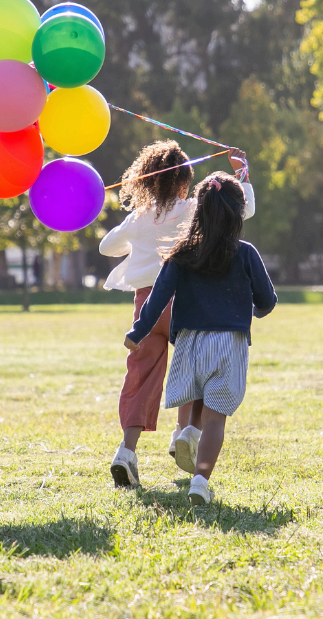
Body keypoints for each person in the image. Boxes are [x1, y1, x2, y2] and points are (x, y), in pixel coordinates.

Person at [99, 141, 254, 489]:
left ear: (146, 182)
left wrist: (137, 230)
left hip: (146, 307)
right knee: (197, 370)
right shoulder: (193, 209)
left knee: (140, 377)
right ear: (186, 179)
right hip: (185, 303)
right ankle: (185, 433)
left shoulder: (139, 217)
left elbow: (106, 247)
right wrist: (241, 173)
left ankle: (127, 451)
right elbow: (243, 209)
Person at [124, 172, 276, 504]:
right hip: (228, 343)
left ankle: (189, 432)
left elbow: (157, 298)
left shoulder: (181, 253)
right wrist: (254, 309)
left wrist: (137, 332)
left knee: (197, 395)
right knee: (216, 419)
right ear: (238, 213)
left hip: (190, 342)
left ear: (199, 210)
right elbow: (267, 300)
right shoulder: (246, 253)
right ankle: (200, 481)